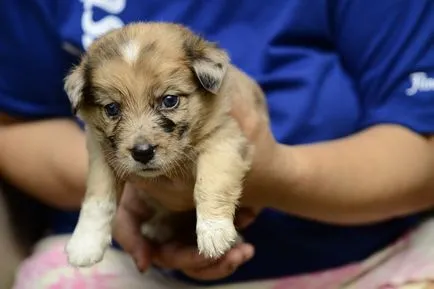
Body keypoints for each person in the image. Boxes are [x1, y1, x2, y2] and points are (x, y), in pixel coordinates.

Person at [2, 0, 434, 288]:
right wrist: (132, 197)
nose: (141, 138)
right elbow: (12, 125)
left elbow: (423, 142)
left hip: (373, 256)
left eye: (169, 100)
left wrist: (274, 176)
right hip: (126, 265)